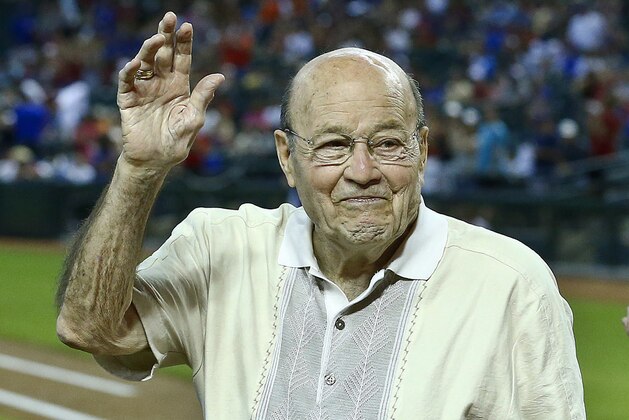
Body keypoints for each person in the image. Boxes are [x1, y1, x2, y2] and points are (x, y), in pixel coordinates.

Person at [56, 11, 585, 419]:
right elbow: (91, 327)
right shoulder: (222, 246)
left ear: (422, 152)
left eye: (387, 143)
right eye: (332, 145)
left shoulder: (511, 283)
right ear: (288, 157)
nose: (362, 170)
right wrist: (140, 168)